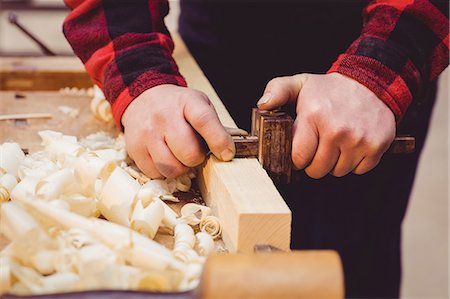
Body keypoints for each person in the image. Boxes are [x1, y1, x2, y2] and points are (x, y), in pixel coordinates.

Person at [63, 0, 449, 297]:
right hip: (222, 35)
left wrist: (380, 68)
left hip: (376, 62)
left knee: (348, 266)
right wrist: (138, 73)